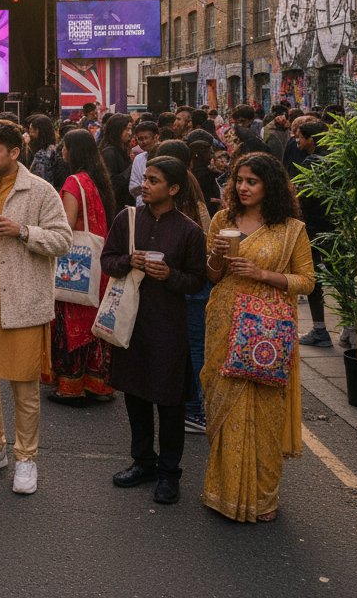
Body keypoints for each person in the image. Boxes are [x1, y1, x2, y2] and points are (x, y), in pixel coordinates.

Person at [0, 120, 73, 496]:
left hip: (22, 301)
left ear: (14, 153)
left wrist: (21, 231)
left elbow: (62, 240)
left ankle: (26, 458)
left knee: (24, 385)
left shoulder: (40, 190)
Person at [202, 152, 315, 522]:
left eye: (252, 181)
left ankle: (262, 498)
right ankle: (223, 493)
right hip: (223, 321)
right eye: (239, 180)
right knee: (224, 403)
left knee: (265, 411)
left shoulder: (290, 229)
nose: (243, 187)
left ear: (270, 185)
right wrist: (217, 257)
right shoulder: (223, 219)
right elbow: (213, 276)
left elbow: (307, 281)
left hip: (266, 328)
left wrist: (261, 274)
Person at [100, 156, 206, 505]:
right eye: (145, 178)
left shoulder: (189, 231)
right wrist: (128, 261)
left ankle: (169, 472)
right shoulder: (127, 219)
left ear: (173, 189)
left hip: (168, 329)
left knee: (170, 401)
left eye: (154, 180)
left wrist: (170, 276)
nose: (144, 185)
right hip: (131, 324)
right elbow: (107, 260)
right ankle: (142, 461)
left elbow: (197, 281)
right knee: (135, 395)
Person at [46, 128, 116, 404]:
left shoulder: (74, 182)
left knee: (71, 321)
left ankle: (71, 386)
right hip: (97, 263)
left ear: (72, 151)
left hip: (77, 265)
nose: (62, 152)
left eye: (64, 147)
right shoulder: (96, 179)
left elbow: (67, 223)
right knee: (93, 324)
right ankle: (96, 383)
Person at [292, 119, 335, 348]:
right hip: (336, 226)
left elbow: (305, 197)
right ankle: (349, 329)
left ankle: (320, 330)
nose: (297, 140)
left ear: (311, 139)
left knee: (314, 277)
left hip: (315, 228)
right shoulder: (337, 159)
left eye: (299, 136)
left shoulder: (312, 163)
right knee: (340, 274)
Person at [99, 113, 134, 212]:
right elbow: (112, 184)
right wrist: (133, 166)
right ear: (117, 130)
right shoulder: (109, 152)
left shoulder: (121, 149)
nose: (130, 133)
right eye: (127, 129)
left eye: (131, 129)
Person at [26, 114, 64, 189]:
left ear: (40, 131)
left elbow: (40, 182)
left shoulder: (42, 155)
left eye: (32, 131)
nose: (30, 134)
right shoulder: (54, 149)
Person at [128, 120, 160, 202]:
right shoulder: (138, 159)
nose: (143, 142)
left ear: (156, 137)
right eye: (140, 139)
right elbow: (133, 188)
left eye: (146, 138)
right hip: (142, 206)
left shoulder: (166, 155)